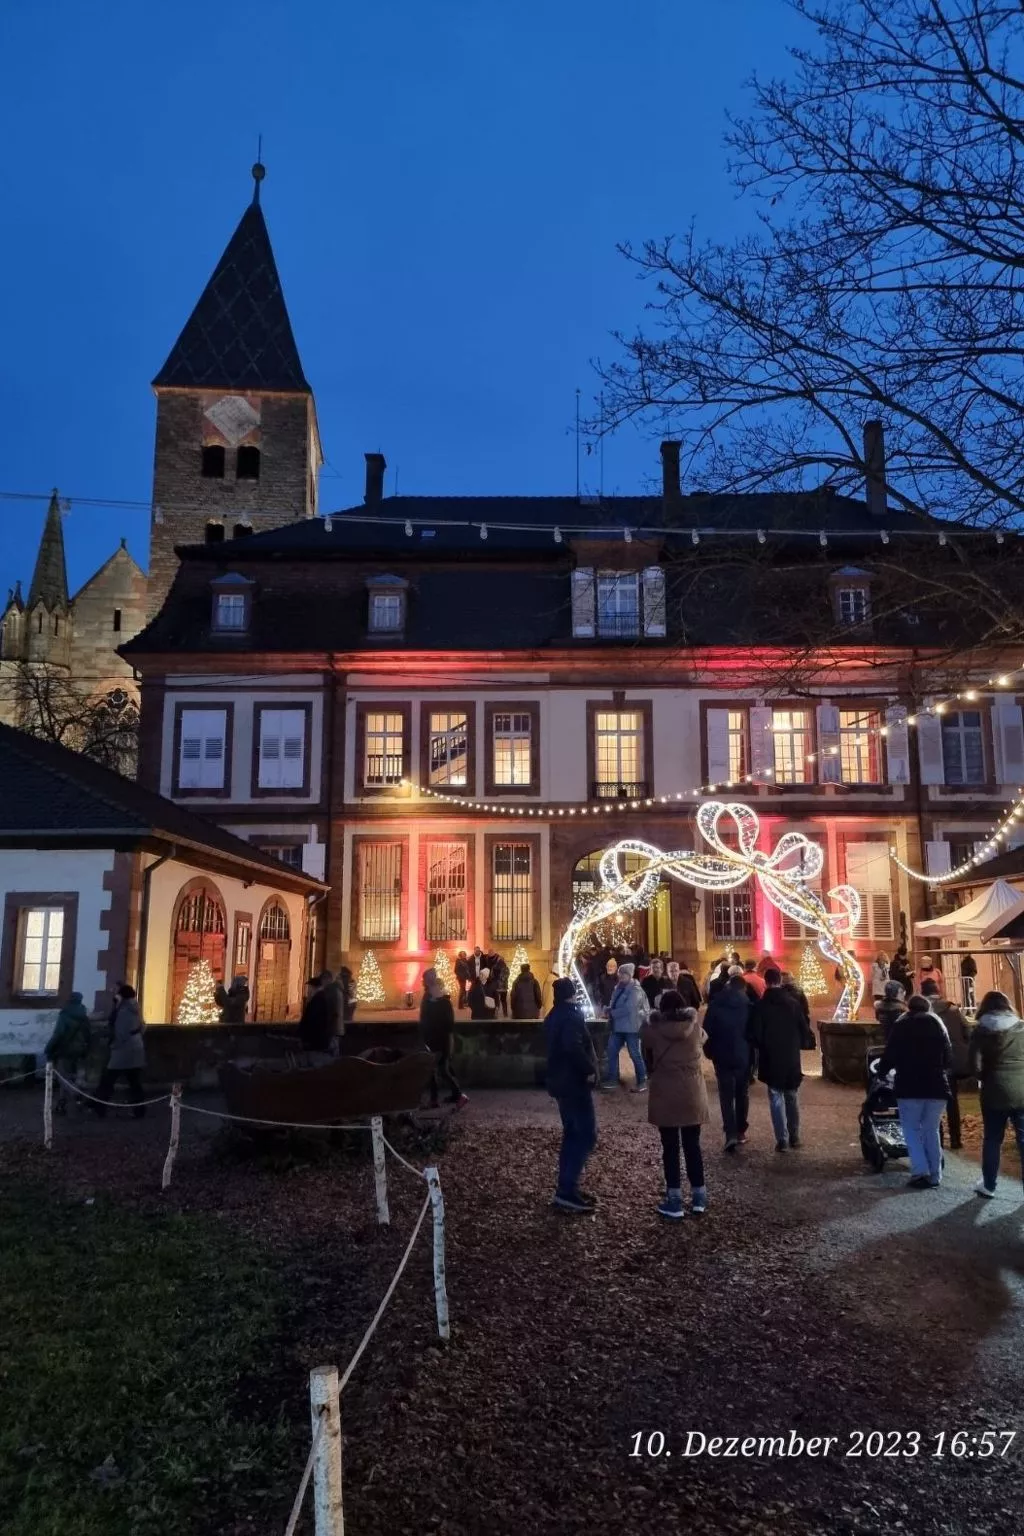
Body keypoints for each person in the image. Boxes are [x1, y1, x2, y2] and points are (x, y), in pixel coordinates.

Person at [641, 993, 710, 1218]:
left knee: (670, 1148)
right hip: (691, 1094)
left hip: (666, 1094)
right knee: (693, 1146)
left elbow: (644, 1046)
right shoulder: (693, 1027)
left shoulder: (654, 1029)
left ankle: (675, 1199)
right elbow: (704, 1038)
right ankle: (699, 1196)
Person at [876, 994, 952, 1188]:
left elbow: (890, 1053)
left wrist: (881, 1072)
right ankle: (935, 1174)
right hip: (936, 1086)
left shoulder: (901, 1026)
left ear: (908, 1008)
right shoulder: (938, 1025)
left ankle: (920, 1172)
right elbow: (948, 1057)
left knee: (911, 1129)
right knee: (931, 1130)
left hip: (909, 1086)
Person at [544, 977, 599, 1212]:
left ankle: (568, 1187)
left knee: (573, 1134)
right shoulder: (571, 1016)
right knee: (584, 1134)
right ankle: (567, 1190)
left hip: (561, 1082)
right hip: (573, 1083)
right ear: (572, 994)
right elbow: (573, 1046)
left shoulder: (554, 1016)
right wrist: (589, 1068)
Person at [969, 989, 1024, 1199]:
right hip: (1022, 1089)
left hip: (993, 1092)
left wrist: (985, 1076)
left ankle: (989, 1185)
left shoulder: (980, 1031)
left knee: (992, 1139)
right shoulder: (1021, 1027)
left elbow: (973, 1065)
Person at [749, 968, 812, 1152]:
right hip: (791, 1056)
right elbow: (803, 1028)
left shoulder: (761, 1006)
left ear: (766, 983)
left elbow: (756, 1034)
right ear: (780, 982)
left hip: (771, 1057)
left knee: (776, 1097)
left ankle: (782, 1139)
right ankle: (795, 1135)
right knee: (791, 1095)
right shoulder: (793, 1003)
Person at [702, 972, 752, 1151]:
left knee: (725, 1094)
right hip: (742, 1054)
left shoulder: (715, 1004)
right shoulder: (747, 1005)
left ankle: (730, 1133)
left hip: (721, 1054)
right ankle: (740, 1131)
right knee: (742, 1093)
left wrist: (709, 1052)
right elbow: (752, 1033)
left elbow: (706, 1030)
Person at [921, 978, 970, 1150]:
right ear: (938, 991)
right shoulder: (953, 1009)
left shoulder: (924, 1012)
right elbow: (968, 1030)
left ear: (923, 993)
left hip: (934, 1062)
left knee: (933, 1101)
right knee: (952, 1100)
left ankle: (938, 1138)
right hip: (954, 1060)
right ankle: (956, 1138)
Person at [94, 984, 146, 1118]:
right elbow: (143, 1026)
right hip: (136, 1047)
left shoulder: (124, 1011)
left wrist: (113, 1046)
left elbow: (120, 1033)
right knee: (134, 1082)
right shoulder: (135, 1008)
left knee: (108, 1080)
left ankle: (99, 1107)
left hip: (123, 1050)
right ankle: (139, 1110)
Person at [420, 968, 468, 1109]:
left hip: (441, 1041)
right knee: (434, 1070)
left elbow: (448, 1025)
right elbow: (424, 1019)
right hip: (432, 1040)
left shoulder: (443, 1003)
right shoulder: (428, 999)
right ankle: (436, 1099)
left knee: (443, 1070)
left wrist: (447, 1041)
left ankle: (459, 1095)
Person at [603, 961, 650, 1091]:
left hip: (632, 1027)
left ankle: (642, 1080)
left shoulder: (635, 990)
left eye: (623, 974)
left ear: (629, 975)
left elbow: (629, 1008)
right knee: (611, 1051)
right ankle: (612, 1078)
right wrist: (608, 1009)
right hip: (618, 1026)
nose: (620, 977)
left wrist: (612, 1013)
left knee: (634, 1053)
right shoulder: (619, 987)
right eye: (620, 974)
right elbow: (616, 1003)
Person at [44, 991, 92, 1113]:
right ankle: (61, 1104)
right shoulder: (84, 1016)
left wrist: (49, 1048)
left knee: (62, 1077)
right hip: (80, 1050)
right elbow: (88, 1035)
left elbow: (58, 1034)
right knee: (68, 1077)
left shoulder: (65, 1015)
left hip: (65, 1050)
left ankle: (76, 1094)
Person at [298, 975, 334, 1055]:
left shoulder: (318, 999)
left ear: (313, 987)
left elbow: (312, 1020)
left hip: (315, 1040)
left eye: (309, 987)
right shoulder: (322, 997)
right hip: (318, 1039)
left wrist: (305, 1036)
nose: (308, 990)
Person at [490, 952, 510, 1017]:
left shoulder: (494, 967)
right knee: (504, 1001)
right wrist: (502, 979)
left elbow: (491, 976)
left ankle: (495, 1014)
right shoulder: (506, 968)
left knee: (496, 1001)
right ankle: (505, 1013)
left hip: (496, 987)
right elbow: (506, 977)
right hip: (503, 987)